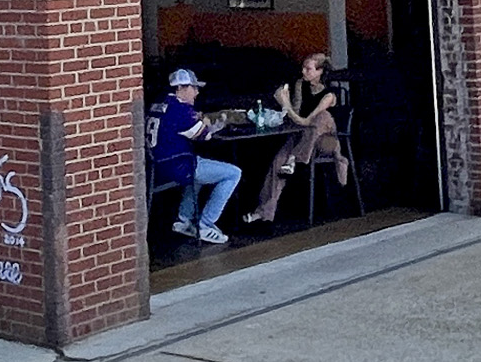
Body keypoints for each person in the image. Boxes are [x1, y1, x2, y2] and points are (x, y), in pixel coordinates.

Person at [243, 53, 349, 225]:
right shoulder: (300, 86)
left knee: (322, 117)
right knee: (278, 162)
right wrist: (287, 104)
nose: (303, 72)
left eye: (308, 69)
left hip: (326, 140)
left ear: (320, 71)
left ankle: (294, 158)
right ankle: (263, 213)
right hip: (302, 137)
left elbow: (307, 120)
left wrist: (286, 104)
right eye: (303, 68)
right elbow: (297, 119)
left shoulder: (329, 95)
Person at [148, 69, 239, 245]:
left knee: (201, 175)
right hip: (177, 166)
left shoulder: (158, 103)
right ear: (180, 88)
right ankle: (205, 224)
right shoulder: (181, 109)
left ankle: (183, 219)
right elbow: (204, 136)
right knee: (233, 173)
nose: (197, 92)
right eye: (193, 87)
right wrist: (210, 123)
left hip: (155, 168)